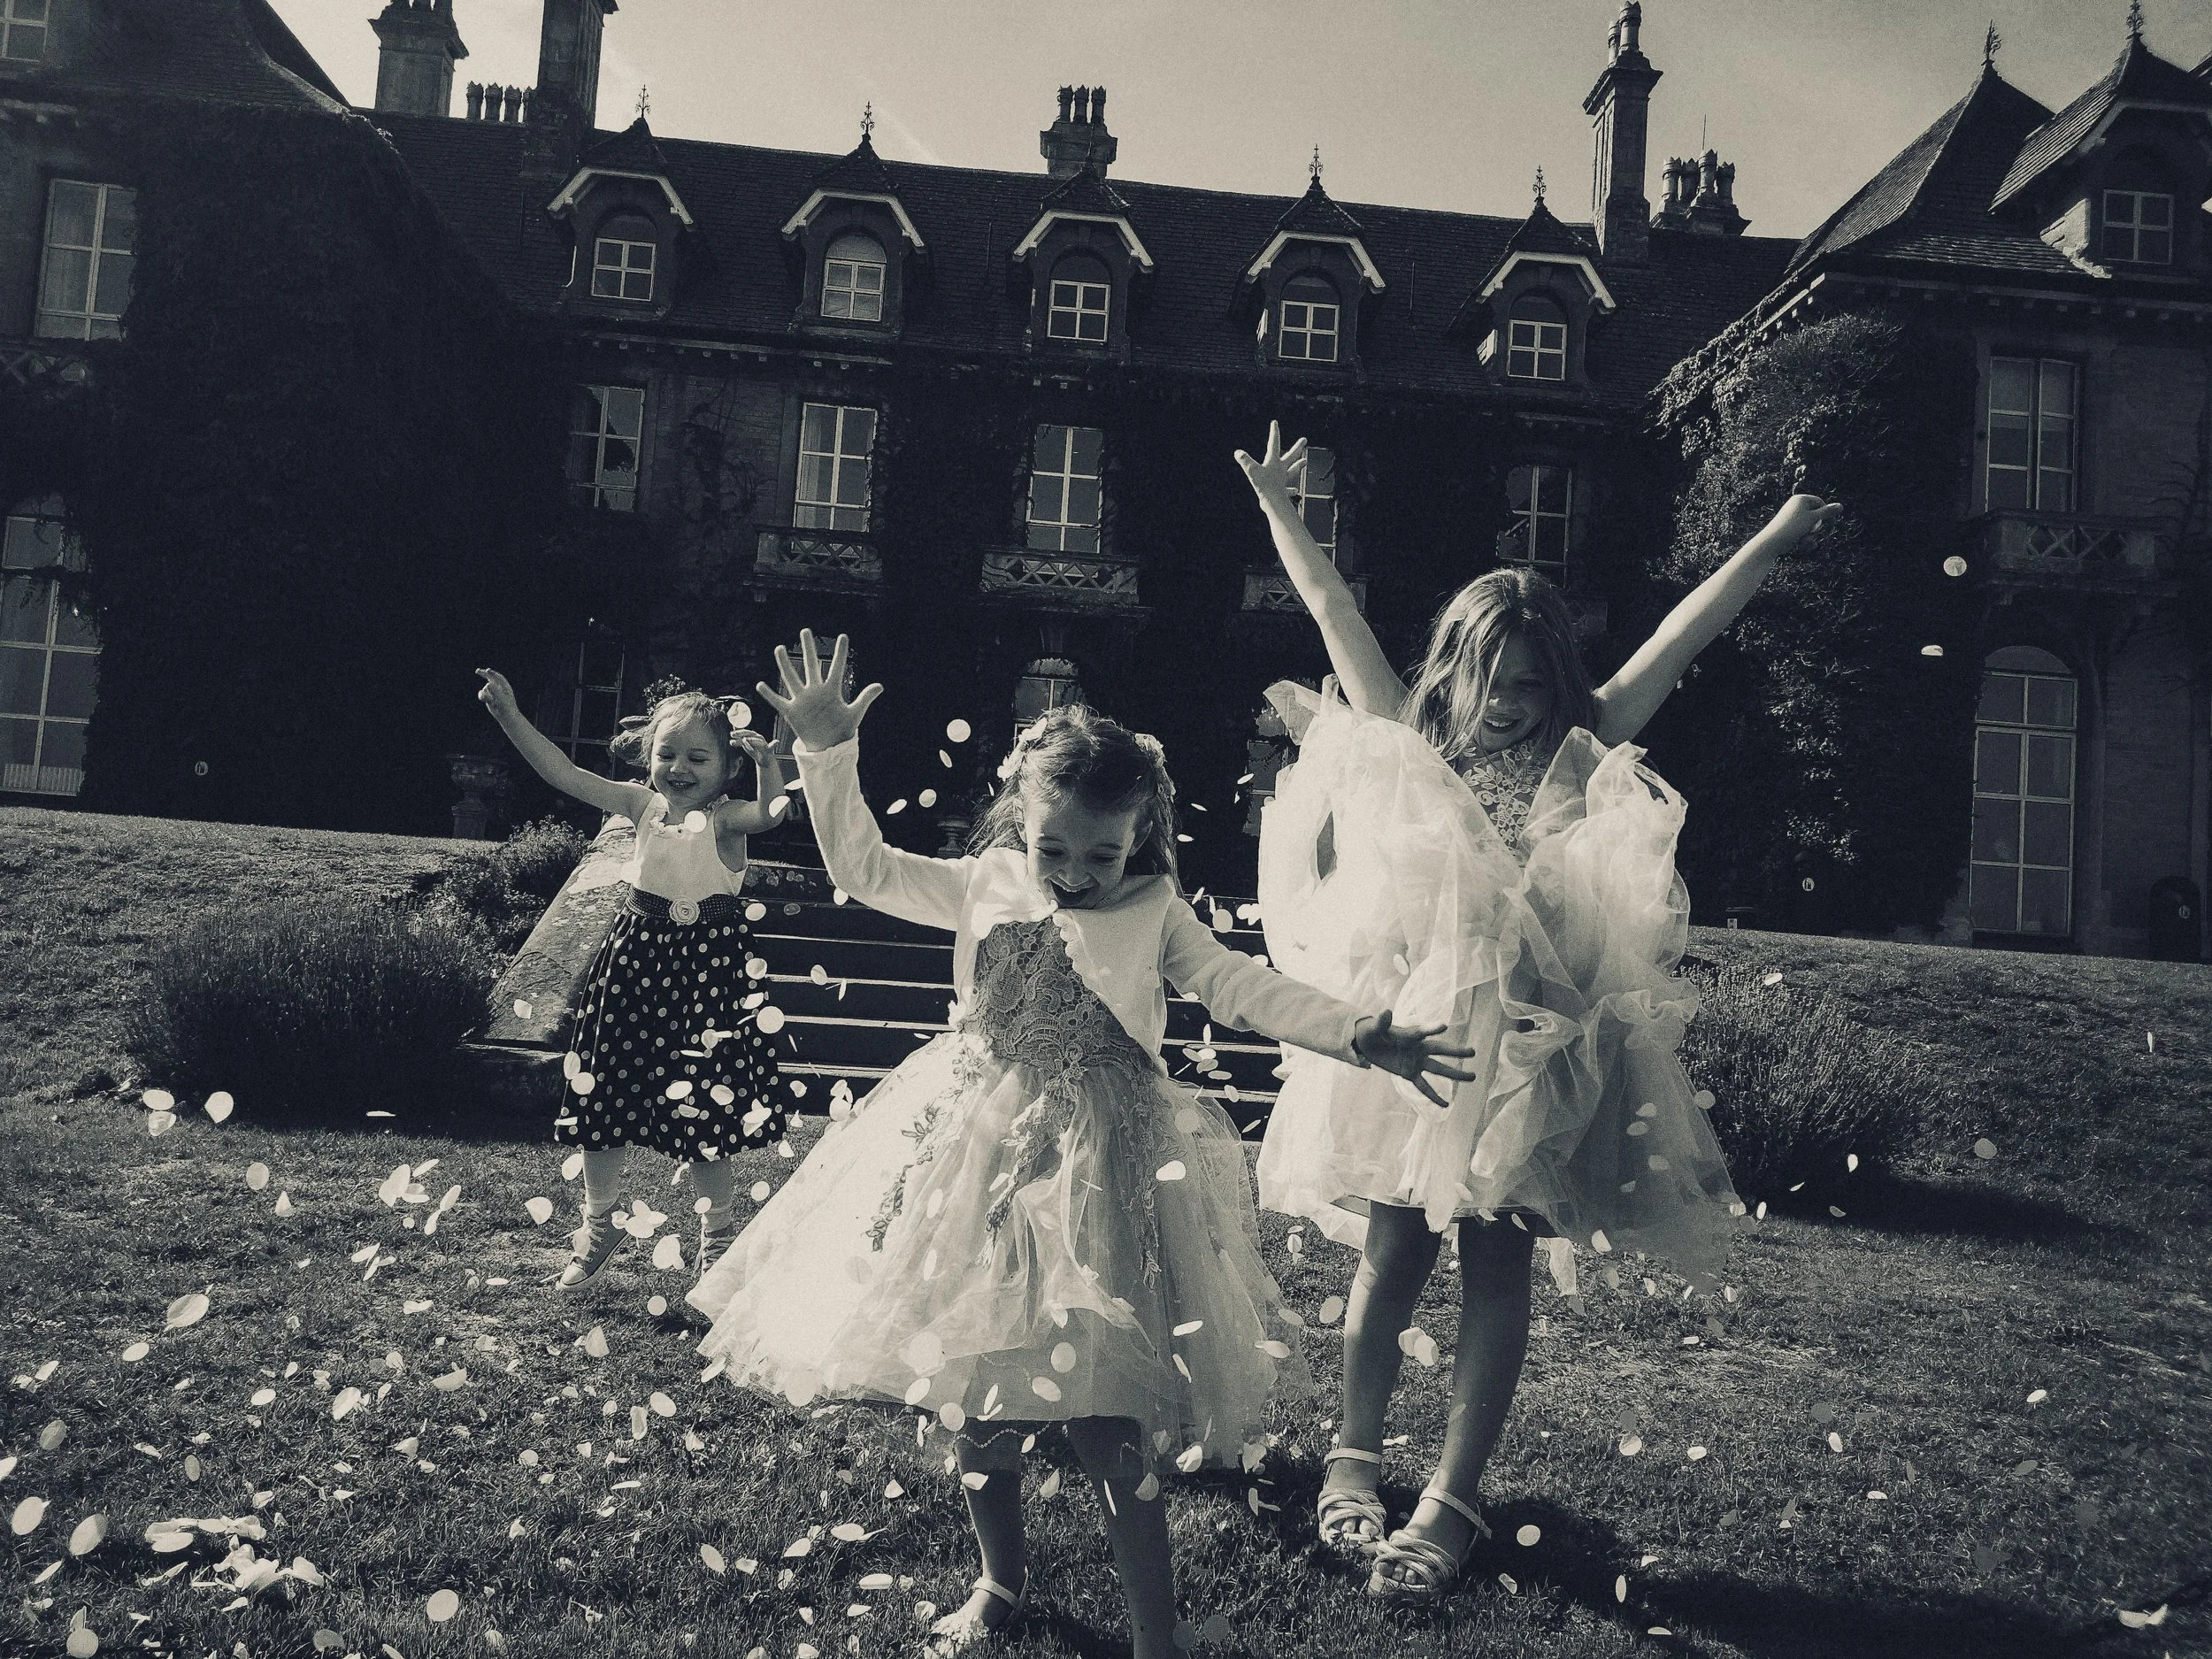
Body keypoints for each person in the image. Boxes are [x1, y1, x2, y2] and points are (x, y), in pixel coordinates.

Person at [687, 632, 1476, 1657]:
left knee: (1107, 1423)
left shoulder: (1154, 908)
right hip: (974, 1159)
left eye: (1100, 855)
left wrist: (1356, 1030)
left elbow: (1242, 988)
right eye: (1053, 849)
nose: (1073, 874)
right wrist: (828, 755)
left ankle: (1155, 1637)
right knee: (973, 1404)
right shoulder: (985, 882)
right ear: (1022, 820)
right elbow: (864, 867)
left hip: (1102, 1173)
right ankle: (999, 1581)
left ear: (1139, 836)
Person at [1233, 422, 1840, 1601]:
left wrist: (1774, 535)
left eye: (1525, 683)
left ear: (1554, 681)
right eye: (1484, 680)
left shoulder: (1583, 740)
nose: (1503, 705)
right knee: (1393, 1250)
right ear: (1450, 670)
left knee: (1497, 1265)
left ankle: (1451, 1499)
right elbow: (1334, 614)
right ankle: (1353, 1460)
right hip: (1415, 1038)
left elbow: (1684, 632)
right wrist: (1277, 507)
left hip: (1530, 1051)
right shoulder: (1413, 740)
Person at [475, 670, 790, 1288]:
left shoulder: (728, 819)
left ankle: (717, 1238)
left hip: (708, 973)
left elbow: (774, 815)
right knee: (603, 1093)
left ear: (726, 768)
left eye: (698, 756)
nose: (679, 767)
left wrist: (770, 766)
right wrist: (510, 716)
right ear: (648, 757)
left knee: (707, 1108)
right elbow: (564, 775)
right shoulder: (641, 806)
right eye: (667, 752)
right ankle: (599, 1223)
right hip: (635, 965)